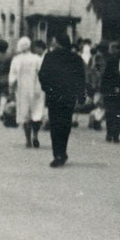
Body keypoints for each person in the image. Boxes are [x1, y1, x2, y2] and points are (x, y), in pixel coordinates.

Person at [38, 32, 86, 167]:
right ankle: (62, 151)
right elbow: (80, 78)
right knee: (65, 124)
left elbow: (42, 75)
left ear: (58, 42)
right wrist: (81, 96)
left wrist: (47, 89)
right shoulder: (76, 58)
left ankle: (57, 153)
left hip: (54, 96)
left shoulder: (50, 56)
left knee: (54, 124)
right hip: (68, 96)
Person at [9, 37, 46, 149]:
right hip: (37, 89)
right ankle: (35, 135)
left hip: (22, 90)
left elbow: (12, 77)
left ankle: (28, 139)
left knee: (25, 114)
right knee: (36, 113)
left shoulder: (16, 59)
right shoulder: (37, 59)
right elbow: (43, 73)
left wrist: (11, 89)